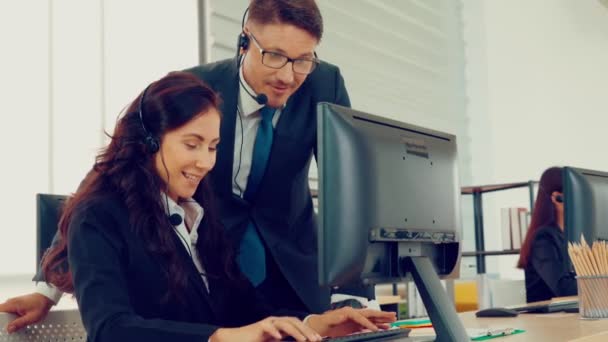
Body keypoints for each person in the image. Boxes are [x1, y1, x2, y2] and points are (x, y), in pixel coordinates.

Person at [1, 0, 367, 331]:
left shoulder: (324, 84)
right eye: (274, 55)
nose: (289, 76)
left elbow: (349, 186)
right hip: (207, 264)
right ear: (245, 41)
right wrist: (47, 287)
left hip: (288, 266)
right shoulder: (195, 89)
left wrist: (351, 291)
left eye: (303, 60)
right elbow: (103, 177)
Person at [35, 72, 394, 341]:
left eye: (212, 147)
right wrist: (221, 337)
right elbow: (110, 329)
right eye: (192, 144)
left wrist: (314, 324)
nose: (206, 162)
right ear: (148, 141)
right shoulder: (99, 216)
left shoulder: (197, 215)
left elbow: (246, 308)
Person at [517, 166, 577, 303]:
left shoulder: (570, 237)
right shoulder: (543, 239)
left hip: (568, 314)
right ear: (557, 198)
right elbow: (564, 289)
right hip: (546, 319)